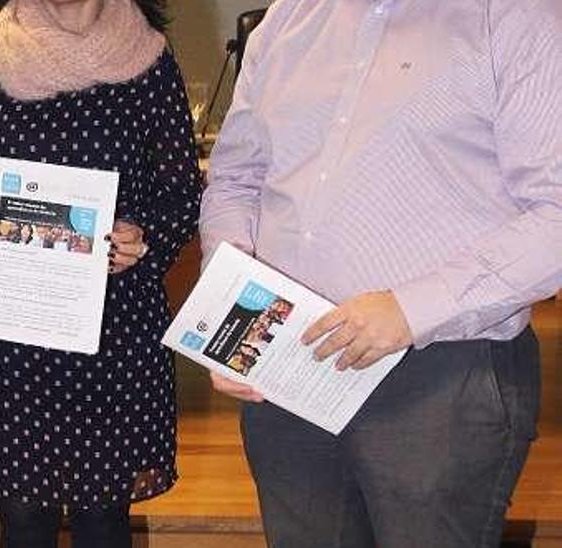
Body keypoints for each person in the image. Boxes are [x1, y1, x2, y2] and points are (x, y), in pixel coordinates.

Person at [200, 1, 562, 545]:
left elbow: (554, 214)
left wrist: (410, 310)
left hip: (440, 381)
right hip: (287, 368)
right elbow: (236, 178)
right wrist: (231, 305)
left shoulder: (513, 16)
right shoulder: (288, 17)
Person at [0, 0, 202, 545]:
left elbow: (181, 193)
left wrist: (145, 237)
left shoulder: (149, 60)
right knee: (24, 523)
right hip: (14, 322)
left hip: (117, 324)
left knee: (104, 523)